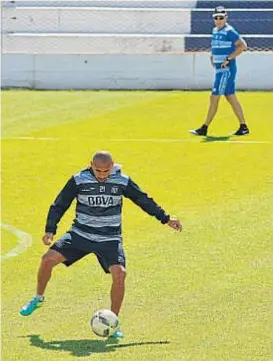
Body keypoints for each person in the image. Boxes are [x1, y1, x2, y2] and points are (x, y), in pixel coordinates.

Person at [20, 151, 182, 338]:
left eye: (106, 171)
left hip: (109, 238)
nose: (103, 175)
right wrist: (50, 229)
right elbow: (60, 203)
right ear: (91, 165)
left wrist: (166, 219)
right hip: (80, 234)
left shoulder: (121, 180)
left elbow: (143, 200)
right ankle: (38, 298)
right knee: (47, 259)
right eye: (98, 171)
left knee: (120, 274)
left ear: (112, 167)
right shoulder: (79, 179)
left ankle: (113, 323)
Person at [190, 6, 250, 137]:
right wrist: (212, 57)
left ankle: (204, 127)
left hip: (225, 70)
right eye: (216, 18)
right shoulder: (215, 30)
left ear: (226, 18)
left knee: (214, 97)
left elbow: (243, 46)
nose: (218, 20)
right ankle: (243, 126)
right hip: (220, 69)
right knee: (230, 97)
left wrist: (228, 58)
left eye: (221, 18)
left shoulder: (229, 31)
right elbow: (215, 46)